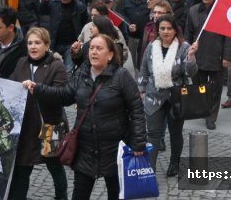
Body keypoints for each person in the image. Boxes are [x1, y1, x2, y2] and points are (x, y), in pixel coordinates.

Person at [23, 34, 146, 200]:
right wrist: (38, 89)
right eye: (91, 48)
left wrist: (138, 143)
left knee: (116, 194)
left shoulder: (121, 75)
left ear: (110, 54)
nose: (93, 52)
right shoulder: (82, 73)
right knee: (79, 195)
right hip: (85, 149)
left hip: (114, 149)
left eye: (99, 48)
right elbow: (65, 95)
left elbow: (136, 109)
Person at [7, 27, 68, 200]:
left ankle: (61, 197)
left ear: (47, 45)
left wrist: (37, 88)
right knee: (22, 166)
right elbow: (11, 85)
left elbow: (61, 94)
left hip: (50, 125)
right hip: (26, 126)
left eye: (38, 43)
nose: (33, 47)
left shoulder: (57, 66)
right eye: (30, 43)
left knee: (54, 165)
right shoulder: (21, 63)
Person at [140, 15, 198, 176]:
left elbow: (191, 72)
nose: (165, 32)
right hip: (153, 96)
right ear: (158, 30)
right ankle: (149, 168)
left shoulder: (184, 47)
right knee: (152, 133)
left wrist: (191, 57)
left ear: (175, 30)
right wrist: (142, 90)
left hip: (176, 97)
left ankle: (174, 163)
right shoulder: (152, 47)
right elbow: (144, 69)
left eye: (169, 28)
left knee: (175, 132)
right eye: (162, 28)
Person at [184, 0, 231, 130]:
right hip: (198, 56)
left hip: (216, 57)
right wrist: (187, 51)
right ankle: (203, 109)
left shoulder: (222, 12)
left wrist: (227, 57)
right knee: (199, 87)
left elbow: (229, 37)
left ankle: (211, 117)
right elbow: (188, 33)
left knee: (215, 89)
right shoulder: (193, 11)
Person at [39, 0, 89, 73]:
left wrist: (80, 40)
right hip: (54, 43)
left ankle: (66, 87)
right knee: (51, 68)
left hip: (71, 44)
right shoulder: (54, 2)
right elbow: (42, 11)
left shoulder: (80, 7)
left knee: (68, 70)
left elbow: (85, 23)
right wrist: (45, 0)